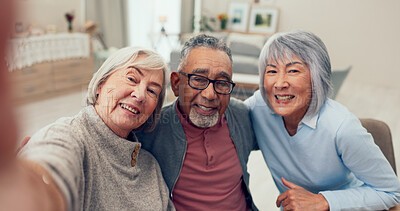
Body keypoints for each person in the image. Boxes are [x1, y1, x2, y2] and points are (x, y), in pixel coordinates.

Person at [4, 47, 175, 210]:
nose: (140, 95)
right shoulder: (69, 136)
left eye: (152, 91)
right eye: (131, 79)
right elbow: (51, 166)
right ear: (101, 84)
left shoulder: (150, 166)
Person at [245, 30, 400, 210]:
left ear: (317, 77)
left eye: (293, 70)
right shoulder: (259, 107)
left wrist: (323, 201)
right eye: (271, 70)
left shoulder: (342, 128)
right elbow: (226, 121)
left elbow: (391, 191)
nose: (279, 83)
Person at [135, 34, 259, 210]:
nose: (210, 94)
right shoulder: (150, 128)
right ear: (176, 84)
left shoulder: (242, 115)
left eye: (222, 83)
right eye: (199, 79)